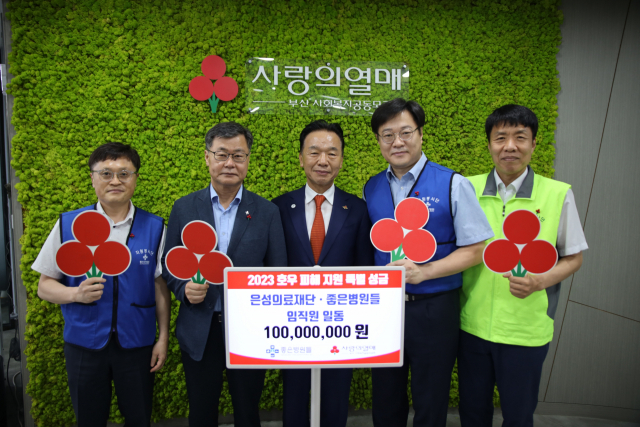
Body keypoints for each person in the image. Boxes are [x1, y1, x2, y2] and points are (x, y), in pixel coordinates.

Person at [363, 98, 494, 427]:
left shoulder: (453, 183)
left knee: (431, 398)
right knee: (385, 396)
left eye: (406, 132)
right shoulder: (372, 187)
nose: (397, 141)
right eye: (387, 134)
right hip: (385, 308)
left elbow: (476, 249)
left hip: (435, 308)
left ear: (421, 134)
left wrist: (426, 272)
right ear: (379, 141)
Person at [458, 104, 588, 427]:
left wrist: (540, 281)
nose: (510, 146)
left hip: (526, 332)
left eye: (520, 137)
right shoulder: (465, 189)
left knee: (518, 417)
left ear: (534, 144)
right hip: (471, 327)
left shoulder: (557, 194)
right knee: (472, 414)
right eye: (500, 137)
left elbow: (574, 257)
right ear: (489, 144)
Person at [32, 143, 170, 427]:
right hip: (84, 343)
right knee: (89, 419)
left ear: (135, 178)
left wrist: (163, 338)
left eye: (124, 173)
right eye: (106, 173)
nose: (115, 180)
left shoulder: (155, 227)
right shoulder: (68, 225)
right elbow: (44, 287)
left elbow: (160, 287)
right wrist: (75, 293)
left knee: (139, 417)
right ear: (92, 178)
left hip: (137, 343)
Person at [162, 122, 287, 427]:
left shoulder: (267, 212)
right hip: (199, 327)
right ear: (207, 157)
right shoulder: (184, 208)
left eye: (238, 155)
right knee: (201, 412)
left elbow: (278, 272)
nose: (230, 163)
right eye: (222, 154)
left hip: (249, 329)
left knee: (247, 411)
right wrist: (183, 289)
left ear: (248, 160)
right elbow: (170, 263)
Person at [272, 120, 375, 427]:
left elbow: (364, 268)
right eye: (314, 152)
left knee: (335, 400)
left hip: (339, 325)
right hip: (292, 324)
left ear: (341, 160)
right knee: (294, 399)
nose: (323, 160)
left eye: (332, 153)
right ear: (301, 158)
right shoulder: (278, 208)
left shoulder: (358, 210)